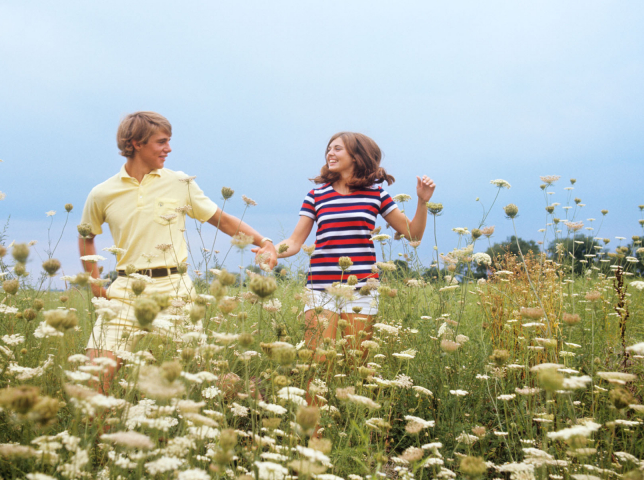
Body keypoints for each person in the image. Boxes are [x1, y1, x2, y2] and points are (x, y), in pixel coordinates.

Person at [79, 111, 278, 392]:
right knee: (95, 379)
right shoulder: (102, 193)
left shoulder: (180, 182)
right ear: (136, 143)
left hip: (176, 292)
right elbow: (87, 235)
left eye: (169, 141)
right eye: (162, 142)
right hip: (124, 294)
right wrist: (95, 283)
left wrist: (264, 241)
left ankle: (243, 400)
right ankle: (102, 436)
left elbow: (221, 219)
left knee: (196, 380)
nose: (168, 149)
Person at [275, 132, 435, 372]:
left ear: (357, 155)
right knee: (318, 364)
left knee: (356, 365)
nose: (330, 153)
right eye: (329, 149)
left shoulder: (377, 194)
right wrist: (271, 251)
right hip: (320, 289)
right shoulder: (316, 195)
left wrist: (422, 202)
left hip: (362, 289)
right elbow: (295, 241)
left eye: (337, 149)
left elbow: (413, 235)